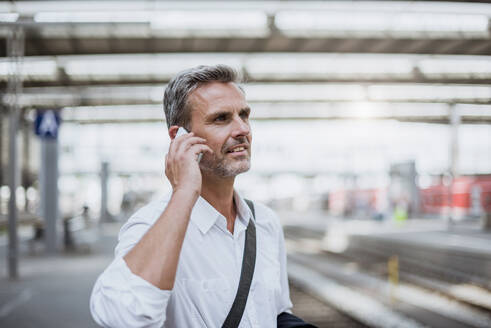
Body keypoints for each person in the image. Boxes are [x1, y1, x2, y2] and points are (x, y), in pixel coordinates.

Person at [90, 65, 314, 327]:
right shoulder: (150, 224)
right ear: (180, 137)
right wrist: (184, 190)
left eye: (244, 115)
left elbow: (275, 313)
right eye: (221, 118)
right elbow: (121, 316)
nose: (242, 128)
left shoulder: (265, 222)